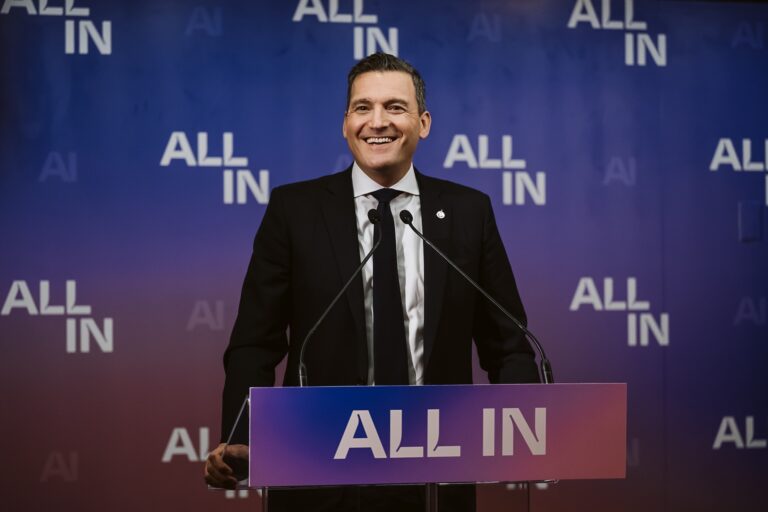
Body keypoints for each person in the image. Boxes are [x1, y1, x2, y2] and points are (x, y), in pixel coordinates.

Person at [205, 53, 540, 511]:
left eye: (395, 107)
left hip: (435, 475)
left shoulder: (468, 213)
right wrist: (242, 438)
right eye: (363, 108)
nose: (377, 122)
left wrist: (527, 433)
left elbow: (510, 347)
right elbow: (255, 343)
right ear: (345, 123)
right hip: (318, 473)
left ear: (423, 123)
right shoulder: (295, 211)